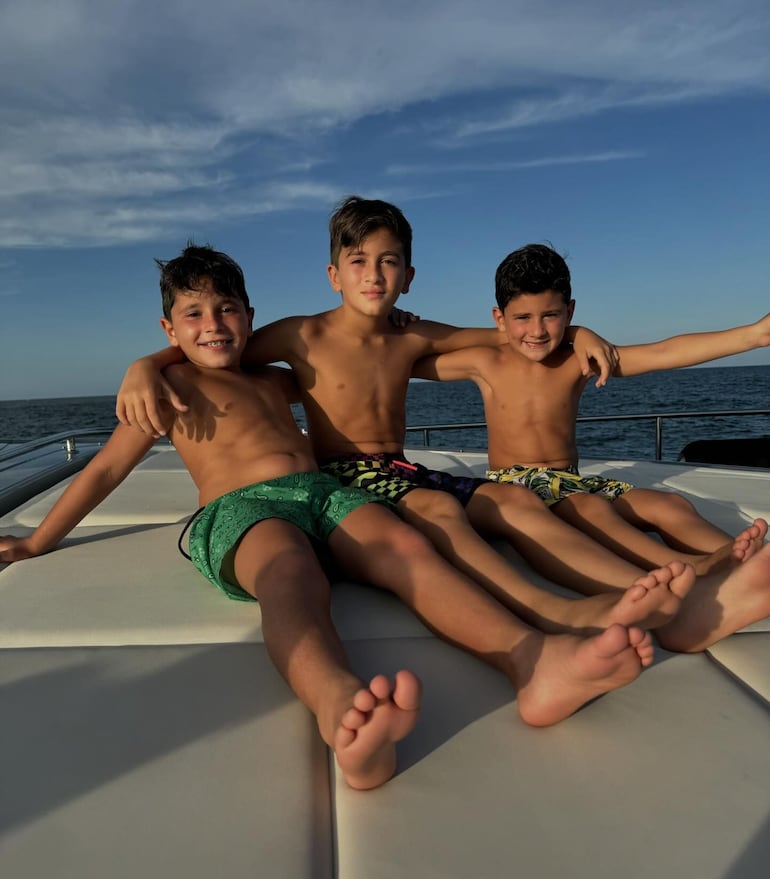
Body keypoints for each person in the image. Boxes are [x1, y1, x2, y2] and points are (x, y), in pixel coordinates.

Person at [2, 244, 692, 790]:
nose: (213, 325)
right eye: (193, 314)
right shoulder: (171, 386)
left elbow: (475, 340)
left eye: (228, 309)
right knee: (290, 575)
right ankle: (341, 712)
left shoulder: (276, 377)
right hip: (243, 511)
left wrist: (582, 330)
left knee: (408, 548)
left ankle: (533, 662)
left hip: (326, 494)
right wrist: (37, 538)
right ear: (168, 328)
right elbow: (104, 468)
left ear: (249, 313)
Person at [115, 202, 770, 652]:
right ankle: (596, 605)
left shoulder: (415, 336)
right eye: (361, 261)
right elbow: (216, 350)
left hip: (399, 468)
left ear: (408, 273)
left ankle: (671, 585)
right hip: (349, 477)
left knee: (522, 498)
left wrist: (581, 330)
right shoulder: (298, 334)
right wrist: (145, 364)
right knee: (460, 509)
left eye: (389, 261)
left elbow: (508, 334)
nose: (375, 275)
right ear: (333, 272)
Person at [413, 242, 770, 571]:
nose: (537, 330)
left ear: (569, 312)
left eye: (550, 315)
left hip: (570, 481)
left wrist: (754, 335)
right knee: (589, 507)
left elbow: (663, 353)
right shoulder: (485, 362)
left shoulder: (578, 360)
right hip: (516, 486)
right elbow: (402, 362)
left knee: (669, 505)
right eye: (523, 318)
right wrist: (395, 326)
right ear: (499, 319)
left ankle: (751, 560)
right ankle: (686, 567)